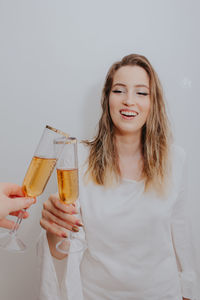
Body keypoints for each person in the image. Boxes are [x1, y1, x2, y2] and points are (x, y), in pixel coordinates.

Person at [38, 54, 196, 300]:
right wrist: (54, 228)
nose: (129, 101)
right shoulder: (78, 158)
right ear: (106, 98)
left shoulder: (176, 159)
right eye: (119, 91)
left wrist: (188, 291)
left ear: (153, 102)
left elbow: (182, 234)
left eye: (141, 93)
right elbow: (62, 252)